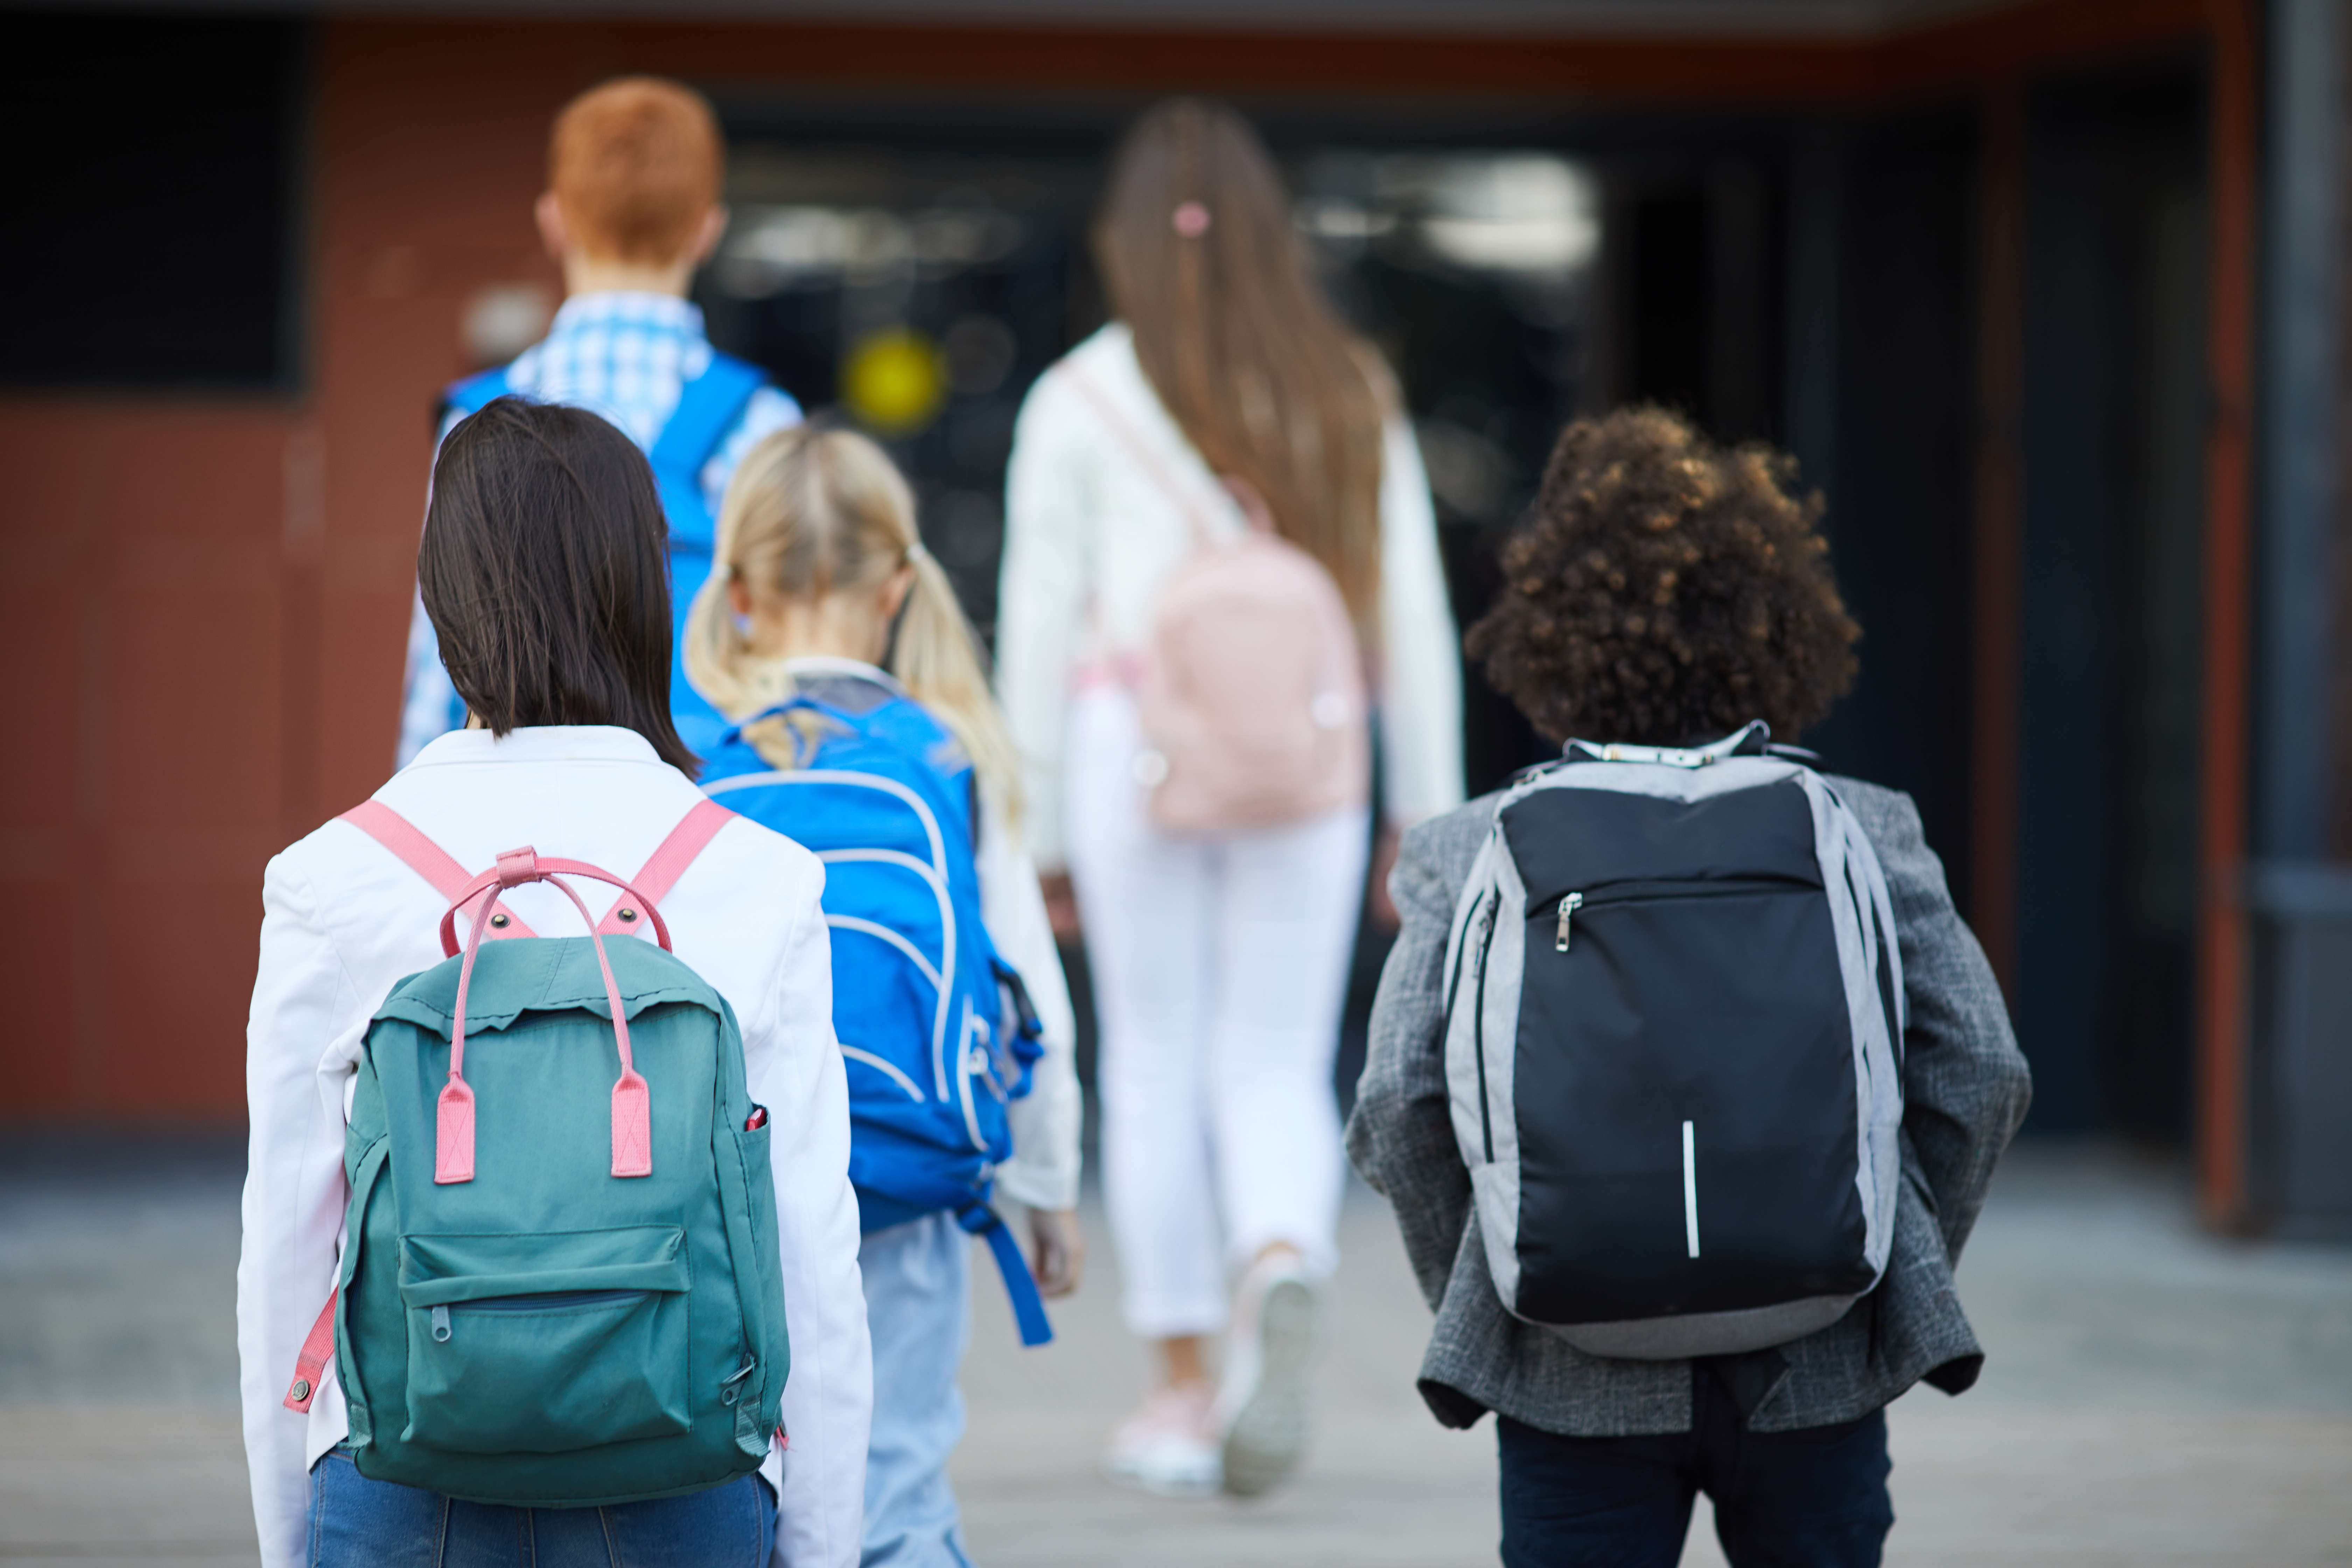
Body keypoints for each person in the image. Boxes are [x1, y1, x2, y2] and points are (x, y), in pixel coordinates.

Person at [1346, 406, 2033, 1568]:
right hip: (1816, 1355)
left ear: (1545, 642)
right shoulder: (1862, 827)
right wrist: (1874, 1250)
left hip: (1569, 1366)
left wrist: (1506, 1276)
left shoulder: (1471, 848)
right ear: (1780, 634)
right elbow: (1980, 1068)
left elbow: (1395, 1108)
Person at [239, 399, 870, 1568]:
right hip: (686, 1481)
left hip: (396, 1478)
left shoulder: (329, 881)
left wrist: (295, 1534)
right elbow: (812, 1258)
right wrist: (820, 1543)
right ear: (648, 591)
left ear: (444, 600)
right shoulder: (759, 879)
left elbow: (285, 1249)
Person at [996, 97, 1465, 1498]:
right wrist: (1424, 816)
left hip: (1129, 747)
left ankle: (1184, 1389)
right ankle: (1282, 1256)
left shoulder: (1078, 397)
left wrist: (1039, 832)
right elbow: (1413, 620)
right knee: (1273, 1050)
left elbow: (1035, 626)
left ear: (1125, 239)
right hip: (1308, 765)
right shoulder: (1346, 385)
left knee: (1151, 1056)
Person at [685, 425, 1085, 1567]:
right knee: (897, 1476)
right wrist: (1047, 1186)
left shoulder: (697, 758)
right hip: (906, 1176)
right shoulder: (952, 755)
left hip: (732, 1188)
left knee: (740, 1469)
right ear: (898, 590)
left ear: (741, 593)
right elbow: (1025, 987)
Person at [400, 75, 802, 766]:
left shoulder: (477, 421)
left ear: (553, 221)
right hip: (705, 814)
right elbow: (788, 656)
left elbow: (435, 670)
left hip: (525, 835)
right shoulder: (762, 419)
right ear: (709, 230)